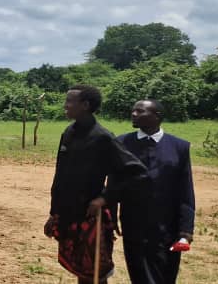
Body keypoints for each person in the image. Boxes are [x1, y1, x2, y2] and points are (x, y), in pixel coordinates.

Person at [43, 86, 148, 284]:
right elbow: (61, 177)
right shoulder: (68, 133)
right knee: (80, 269)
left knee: (95, 272)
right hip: (68, 213)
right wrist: (53, 213)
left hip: (91, 216)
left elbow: (136, 173)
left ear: (85, 105)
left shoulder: (103, 137)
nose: (65, 105)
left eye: (69, 101)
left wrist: (104, 198)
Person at [116, 99, 194, 283]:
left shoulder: (179, 147)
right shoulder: (122, 143)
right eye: (133, 110)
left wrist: (185, 232)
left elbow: (185, 190)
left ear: (157, 116)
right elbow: (115, 183)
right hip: (133, 222)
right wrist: (110, 217)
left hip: (168, 225)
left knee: (166, 274)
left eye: (140, 111)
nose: (134, 114)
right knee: (139, 273)